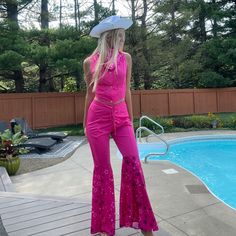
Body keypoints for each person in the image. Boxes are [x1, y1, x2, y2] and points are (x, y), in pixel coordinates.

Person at [83, 15, 158, 236]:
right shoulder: (90, 61)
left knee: (134, 163)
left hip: (122, 116)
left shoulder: (126, 58)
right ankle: (105, 228)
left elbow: (127, 90)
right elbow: (89, 93)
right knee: (103, 171)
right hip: (97, 117)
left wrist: (131, 120)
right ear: (109, 38)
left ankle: (144, 224)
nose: (122, 40)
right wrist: (85, 124)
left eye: (123, 36)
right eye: (119, 37)